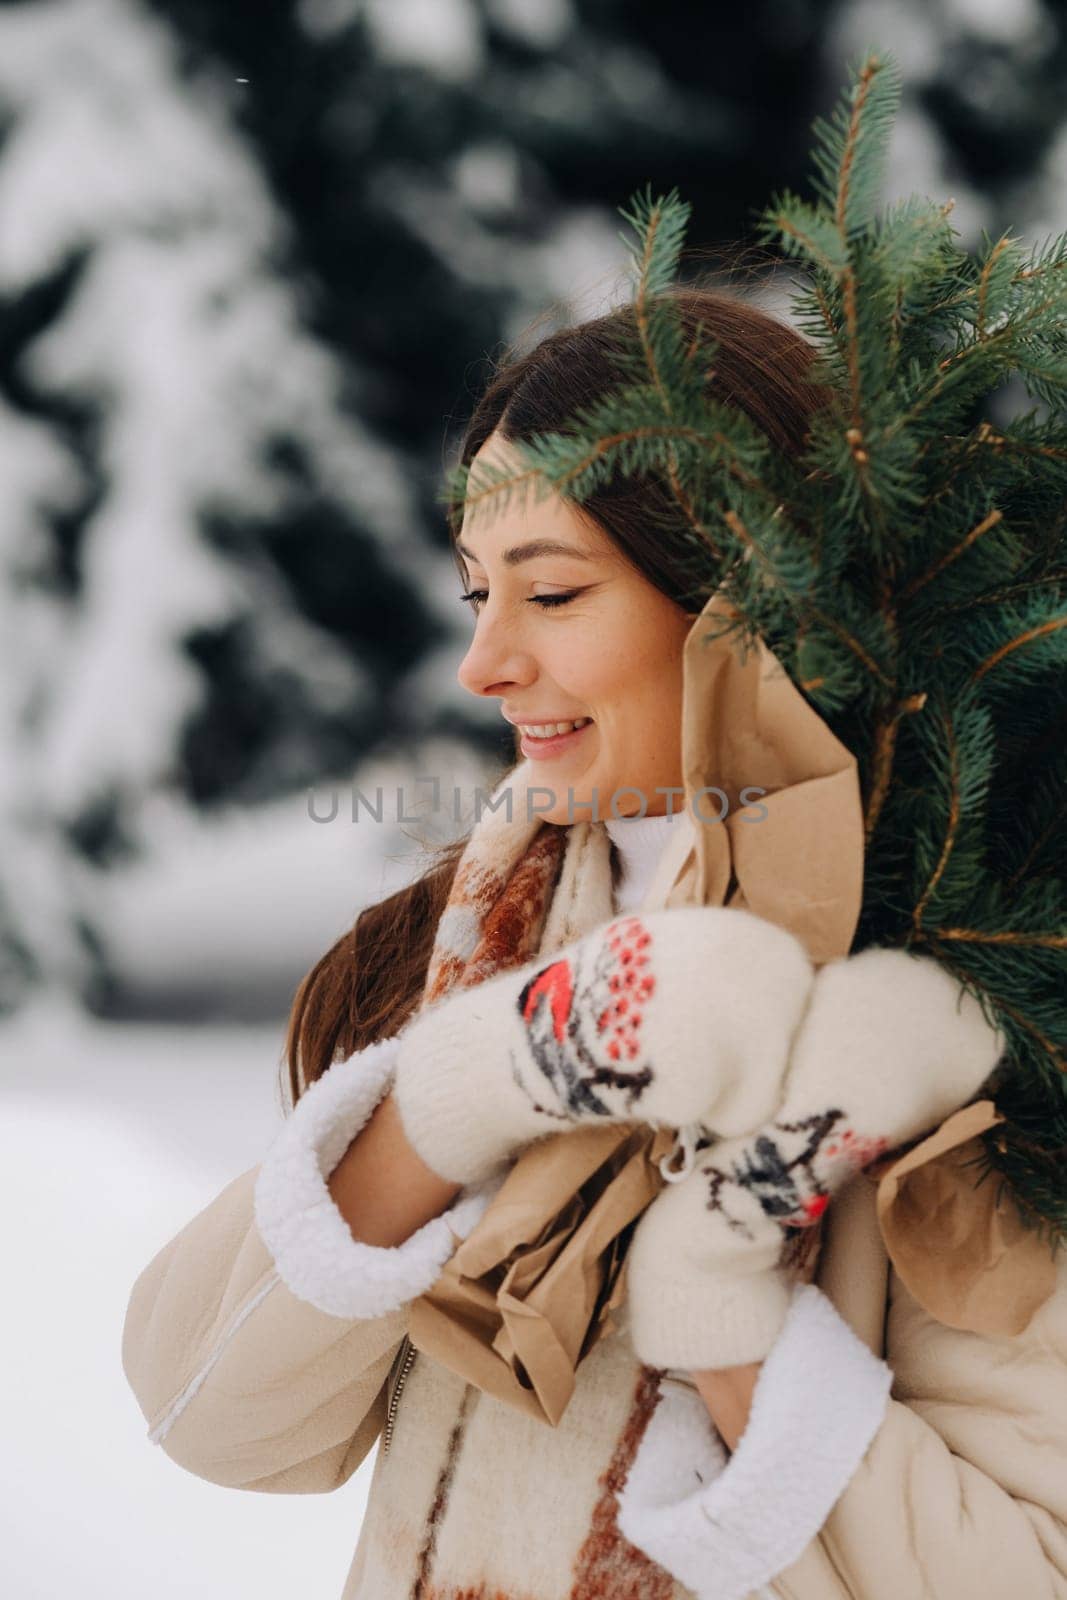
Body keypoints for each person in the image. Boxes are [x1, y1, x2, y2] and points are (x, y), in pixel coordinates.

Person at [121, 288, 1067, 1600]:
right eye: (473, 593)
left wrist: (727, 1293)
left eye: (551, 593)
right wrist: (471, 1083)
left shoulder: (973, 994)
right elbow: (207, 1417)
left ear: (741, 597)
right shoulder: (474, 935)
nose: (483, 662)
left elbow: (1024, 1570)